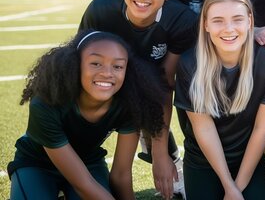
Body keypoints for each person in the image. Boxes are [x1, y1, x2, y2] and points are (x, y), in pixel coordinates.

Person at [79, 0, 198, 199]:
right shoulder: (100, 11)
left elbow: (165, 83)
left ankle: (173, 159)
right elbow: (79, 70)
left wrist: (160, 154)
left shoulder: (182, 21)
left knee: (149, 99)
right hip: (107, 85)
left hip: (150, 90)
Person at [8, 30, 166, 200]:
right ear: (75, 64)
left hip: (88, 162)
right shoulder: (46, 102)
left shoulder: (129, 104)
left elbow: (121, 174)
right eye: (96, 63)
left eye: (118, 66)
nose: (107, 72)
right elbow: (82, 183)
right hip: (37, 164)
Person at [174, 0, 265, 199]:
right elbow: (204, 129)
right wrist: (229, 186)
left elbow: (263, 129)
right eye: (218, 20)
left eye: (237, 19)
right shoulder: (190, 64)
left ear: (250, 21)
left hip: (249, 160)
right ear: (205, 24)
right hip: (203, 161)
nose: (228, 29)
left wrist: (239, 186)